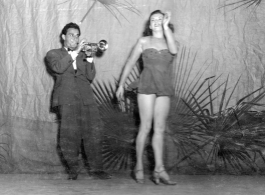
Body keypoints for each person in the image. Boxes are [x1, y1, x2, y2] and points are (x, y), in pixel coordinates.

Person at [116, 10, 178, 185]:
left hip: (163, 87)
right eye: (153, 19)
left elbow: (173, 50)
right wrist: (121, 84)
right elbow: (129, 62)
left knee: (159, 129)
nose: (157, 21)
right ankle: (139, 167)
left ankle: (159, 168)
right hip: (146, 86)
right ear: (150, 25)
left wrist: (166, 28)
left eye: (160, 19)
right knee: (145, 127)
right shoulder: (143, 41)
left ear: (164, 22)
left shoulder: (170, 41)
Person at [46, 22, 111, 180]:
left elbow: (90, 77)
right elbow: (59, 68)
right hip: (66, 98)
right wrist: (75, 52)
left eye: (77, 35)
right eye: (71, 35)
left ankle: (97, 170)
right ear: (63, 37)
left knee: (93, 133)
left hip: (86, 98)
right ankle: (72, 169)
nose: (75, 38)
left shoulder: (83, 55)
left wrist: (89, 57)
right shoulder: (53, 53)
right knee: (68, 135)